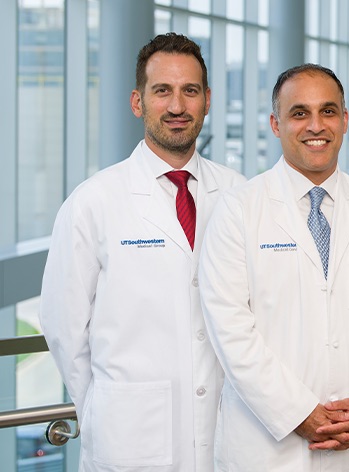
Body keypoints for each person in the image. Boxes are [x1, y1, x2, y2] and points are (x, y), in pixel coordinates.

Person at [39, 33, 246, 471]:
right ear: (138, 102)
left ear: (207, 100)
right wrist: (102, 406)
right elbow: (63, 326)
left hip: (227, 432)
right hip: (129, 436)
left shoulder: (238, 193)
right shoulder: (93, 201)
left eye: (190, 91)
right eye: (162, 91)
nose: (177, 106)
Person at [198, 64, 349, 471]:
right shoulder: (238, 210)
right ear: (275, 123)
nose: (316, 125)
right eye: (299, 113)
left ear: (345, 119)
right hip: (266, 446)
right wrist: (298, 412)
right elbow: (230, 329)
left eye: (328, 111)